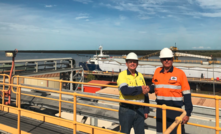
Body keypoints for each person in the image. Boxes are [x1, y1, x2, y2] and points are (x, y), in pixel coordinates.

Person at [149, 48, 193, 134]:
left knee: (176, 132)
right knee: (161, 132)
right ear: (161, 60)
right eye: (164, 59)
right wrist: (148, 89)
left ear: (172, 59)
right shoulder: (157, 71)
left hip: (175, 111)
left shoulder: (180, 73)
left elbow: (187, 94)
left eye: (169, 58)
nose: (167, 61)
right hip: (160, 110)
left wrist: (187, 113)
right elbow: (155, 86)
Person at [117, 52, 150, 134]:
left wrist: (146, 110)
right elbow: (125, 91)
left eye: (134, 61)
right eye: (130, 61)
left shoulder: (140, 76)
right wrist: (140, 89)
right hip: (126, 110)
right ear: (126, 64)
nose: (132, 63)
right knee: (125, 132)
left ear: (137, 64)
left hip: (140, 110)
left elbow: (145, 93)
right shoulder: (122, 75)